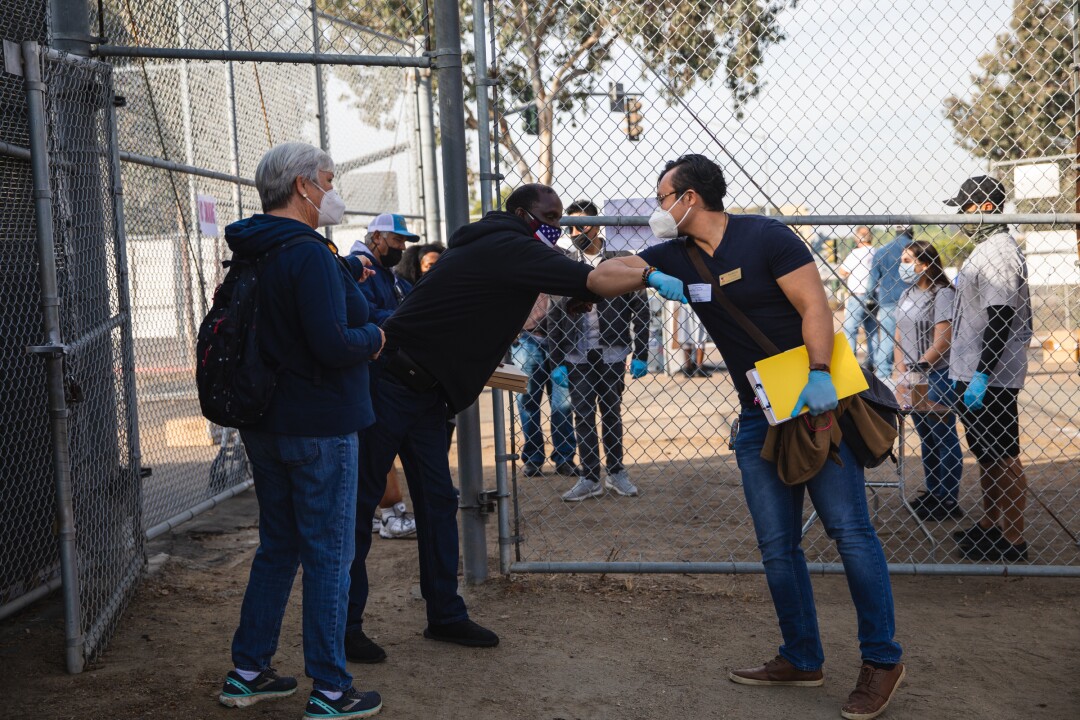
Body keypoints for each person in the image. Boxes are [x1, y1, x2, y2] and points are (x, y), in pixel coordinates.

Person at [605, 154, 904, 720]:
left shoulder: (767, 236)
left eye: (663, 195)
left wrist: (819, 374)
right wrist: (648, 275)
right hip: (757, 418)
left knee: (850, 532)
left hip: (818, 407)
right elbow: (601, 275)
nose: (658, 207)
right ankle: (801, 656)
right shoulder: (674, 254)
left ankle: (883, 660)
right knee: (776, 546)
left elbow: (815, 305)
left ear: (689, 197)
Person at [343, 183, 687, 664]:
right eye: (552, 216)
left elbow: (518, 302)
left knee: (439, 502)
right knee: (359, 505)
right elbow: (595, 279)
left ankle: (444, 613)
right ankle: (344, 626)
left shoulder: (503, 246)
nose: (559, 225)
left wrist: (592, 292)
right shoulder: (509, 244)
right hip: (392, 382)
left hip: (426, 392)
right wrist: (650, 277)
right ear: (525, 215)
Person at [217, 142, 385, 718]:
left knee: (279, 546)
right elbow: (334, 343)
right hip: (319, 423)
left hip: (266, 421)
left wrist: (347, 281)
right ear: (302, 187)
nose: (332, 191)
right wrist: (376, 339)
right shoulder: (307, 252)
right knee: (327, 554)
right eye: (328, 181)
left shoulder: (255, 246)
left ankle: (248, 670)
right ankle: (332, 688)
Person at [945, 176, 1033, 562]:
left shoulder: (998, 252)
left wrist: (982, 373)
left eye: (964, 208)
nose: (961, 217)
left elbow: (1000, 317)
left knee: (1004, 454)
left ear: (982, 208)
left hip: (991, 374)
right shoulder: (987, 247)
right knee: (987, 454)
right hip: (974, 370)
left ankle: (1013, 539)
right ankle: (991, 524)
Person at [549, 199, 650, 501]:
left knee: (611, 413)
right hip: (577, 354)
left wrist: (642, 353)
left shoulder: (620, 258)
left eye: (584, 223)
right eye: (572, 225)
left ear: (598, 225)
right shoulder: (565, 263)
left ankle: (616, 472)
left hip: (612, 351)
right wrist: (556, 359)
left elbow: (640, 308)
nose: (578, 230)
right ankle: (590, 476)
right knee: (582, 414)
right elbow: (555, 313)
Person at [349, 214, 421, 540]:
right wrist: (407, 320)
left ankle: (384, 514)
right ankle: (389, 514)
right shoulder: (359, 267)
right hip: (371, 375)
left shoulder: (389, 274)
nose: (402, 247)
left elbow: (411, 302)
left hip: (390, 375)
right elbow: (367, 313)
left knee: (381, 450)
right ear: (377, 237)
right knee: (375, 451)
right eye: (397, 240)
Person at [892, 241, 964, 521]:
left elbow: (943, 339)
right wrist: (903, 373)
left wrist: (921, 366)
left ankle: (948, 498)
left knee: (943, 436)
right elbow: (899, 335)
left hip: (937, 374)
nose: (903, 265)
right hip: (913, 376)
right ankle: (935, 492)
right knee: (926, 437)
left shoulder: (942, 293)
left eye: (908, 260)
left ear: (925, 264)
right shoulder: (906, 293)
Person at [511, 292, 577, 477]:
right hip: (527, 338)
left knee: (563, 404)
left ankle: (564, 458)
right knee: (527, 402)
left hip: (563, 341)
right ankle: (533, 458)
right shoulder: (518, 264)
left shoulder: (566, 262)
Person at [866, 225, 914, 381]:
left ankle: (883, 377)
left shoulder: (882, 251)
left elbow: (872, 280)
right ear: (911, 232)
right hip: (912, 299)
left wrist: (870, 298)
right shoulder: (914, 249)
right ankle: (912, 375)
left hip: (887, 300)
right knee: (913, 338)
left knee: (887, 338)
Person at [838, 226, 879, 367]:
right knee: (872, 330)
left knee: (850, 329)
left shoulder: (856, 253)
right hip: (874, 294)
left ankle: (850, 363)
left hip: (857, 294)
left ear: (858, 238)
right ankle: (873, 362)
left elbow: (843, 271)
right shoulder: (876, 252)